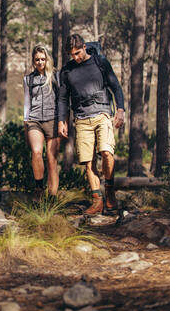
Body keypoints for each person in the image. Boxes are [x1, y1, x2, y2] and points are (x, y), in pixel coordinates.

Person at [58, 34, 125, 214]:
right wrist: (61, 120)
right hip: (81, 118)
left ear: (85, 47)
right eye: (72, 54)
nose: (76, 57)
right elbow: (63, 98)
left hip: (102, 112)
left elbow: (116, 87)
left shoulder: (100, 62)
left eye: (78, 53)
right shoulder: (67, 70)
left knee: (106, 152)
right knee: (88, 161)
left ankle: (110, 191)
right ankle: (97, 200)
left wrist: (120, 109)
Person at [23, 45, 60, 199]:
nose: (40, 62)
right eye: (37, 59)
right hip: (34, 119)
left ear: (47, 59)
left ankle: (52, 197)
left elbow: (62, 99)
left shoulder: (56, 76)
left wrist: (62, 120)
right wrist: (26, 120)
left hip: (53, 119)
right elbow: (27, 101)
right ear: (33, 60)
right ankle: (39, 189)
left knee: (51, 159)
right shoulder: (28, 79)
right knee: (37, 152)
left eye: (43, 59)